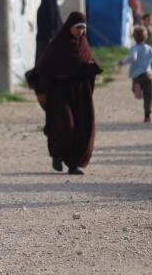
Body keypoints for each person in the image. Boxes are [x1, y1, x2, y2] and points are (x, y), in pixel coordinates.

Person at [28, 12, 102, 175]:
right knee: (65, 125)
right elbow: (44, 69)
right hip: (59, 92)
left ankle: (73, 164)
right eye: (78, 28)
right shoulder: (57, 45)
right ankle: (57, 154)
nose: (80, 32)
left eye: (83, 28)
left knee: (81, 127)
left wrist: (93, 68)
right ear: (69, 27)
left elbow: (86, 63)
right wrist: (41, 91)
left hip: (79, 93)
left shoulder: (83, 45)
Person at [119, 26, 152, 123]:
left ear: (133, 37)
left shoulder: (134, 48)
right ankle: (147, 115)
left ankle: (137, 88)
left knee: (135, 88)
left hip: (137, 75)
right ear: (146, 37)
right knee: (149, 96)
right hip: (148, 74)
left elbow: (132, 58)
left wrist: (122, 62)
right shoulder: (149, 49)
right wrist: (151, 69)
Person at [36, 0, 63, 64]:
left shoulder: (41, 8)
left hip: (42, 41)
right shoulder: (53, 10)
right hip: (49, 42)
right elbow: (57, 25)